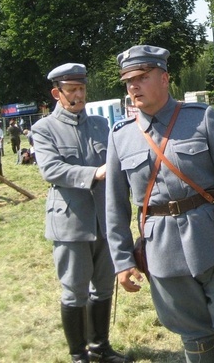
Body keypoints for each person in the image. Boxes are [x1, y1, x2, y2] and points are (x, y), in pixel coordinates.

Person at [105, 45, 214, 363]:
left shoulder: (200, 118)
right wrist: (122, 260)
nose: (133, 86)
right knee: (193, 332)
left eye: (142, 77)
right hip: (163, 250)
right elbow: (115, 207)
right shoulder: (120, 137)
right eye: (128, 81)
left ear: (165, 78)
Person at [32, 63, 129, 363]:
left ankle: (100, 347)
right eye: (71, 89)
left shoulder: (102, 125)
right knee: (75, 291)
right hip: (71, 222)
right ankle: (78, 355)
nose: (78, 95)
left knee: (103, 286)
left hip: (104, 220)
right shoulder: (43, 129)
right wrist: (94, 173)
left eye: (82, 88)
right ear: (56, 93)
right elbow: (52, 169)